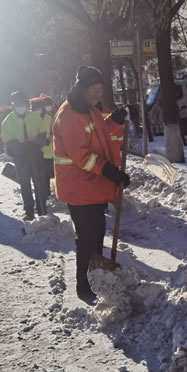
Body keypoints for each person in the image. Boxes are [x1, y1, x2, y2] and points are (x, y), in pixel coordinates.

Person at [53, 66, 129, 300]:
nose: (98, 92)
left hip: (92, 185)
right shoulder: (69, 115)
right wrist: (109, 171)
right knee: (87, 238)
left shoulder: (89, 109)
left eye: (100, 88)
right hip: (78, 187)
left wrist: (115, 120)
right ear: (82, 88)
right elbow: (81, 155)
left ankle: (95, 278)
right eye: (93, 88)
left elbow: (101, 133)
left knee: (96, 233)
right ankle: (84, 286)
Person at [1, 91, 47, 221]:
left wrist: (35, 146)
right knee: (25, 184)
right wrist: (22, 150)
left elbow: (43, 133)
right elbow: (9, 141)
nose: (20, 106)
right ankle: (29, 211)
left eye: (22, 103)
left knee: (39, 184)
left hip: (36, 156)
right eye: (17, 104)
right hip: (21, 158)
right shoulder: (8, 121)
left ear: (26, 103)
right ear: (13, 105)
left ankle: (42, 210)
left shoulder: (35, 117)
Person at [30, 94, 55, 200]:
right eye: (35, 108)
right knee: (41, 175)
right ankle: (43, 195)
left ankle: (48, 192)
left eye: (39, 108)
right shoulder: (30, 119)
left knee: (49, 173)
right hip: (37, 151)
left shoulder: (48, 118)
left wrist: (50, 139)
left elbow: (51, 131)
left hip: (49, 150)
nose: (38, 110)